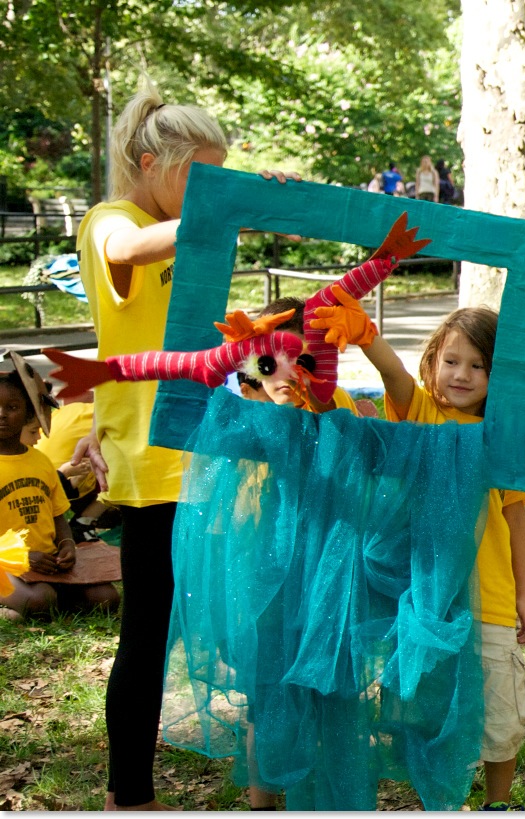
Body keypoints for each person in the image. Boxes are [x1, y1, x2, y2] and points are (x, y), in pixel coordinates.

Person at [78, 81, 300, 811]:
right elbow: (130, 250)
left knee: (249, 612)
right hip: (151, 461)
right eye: (197, 173)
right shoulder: (110, 220)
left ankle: (268, 774)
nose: (207, 188)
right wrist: (229, 201)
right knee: (147, 629)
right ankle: (129, 798)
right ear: (149, 162)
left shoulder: (198, 226)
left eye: (218, 173)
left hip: (211, 446)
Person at [318, 305, 525, 810]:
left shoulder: (502, 436)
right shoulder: (422, 414)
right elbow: (392, 375)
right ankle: (440, 800)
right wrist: (367, 336)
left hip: (490, 599)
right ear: (433, 361)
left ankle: (498, 803)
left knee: (498, 711)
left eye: (478, 365)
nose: (462, 375)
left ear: (497, 374)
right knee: (431, 707)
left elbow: (516, 518)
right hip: (429, 597)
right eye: (452, 361)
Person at [0, 368, 106, 622]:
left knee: (105, 598)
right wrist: (22, 556)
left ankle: (48, 601)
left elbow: (58, 515)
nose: (1, 415)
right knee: (40, 600)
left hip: (47, 564)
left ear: (28, 412)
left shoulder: (41, 462)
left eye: (12, 407)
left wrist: (67, 545)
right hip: (7, 564)